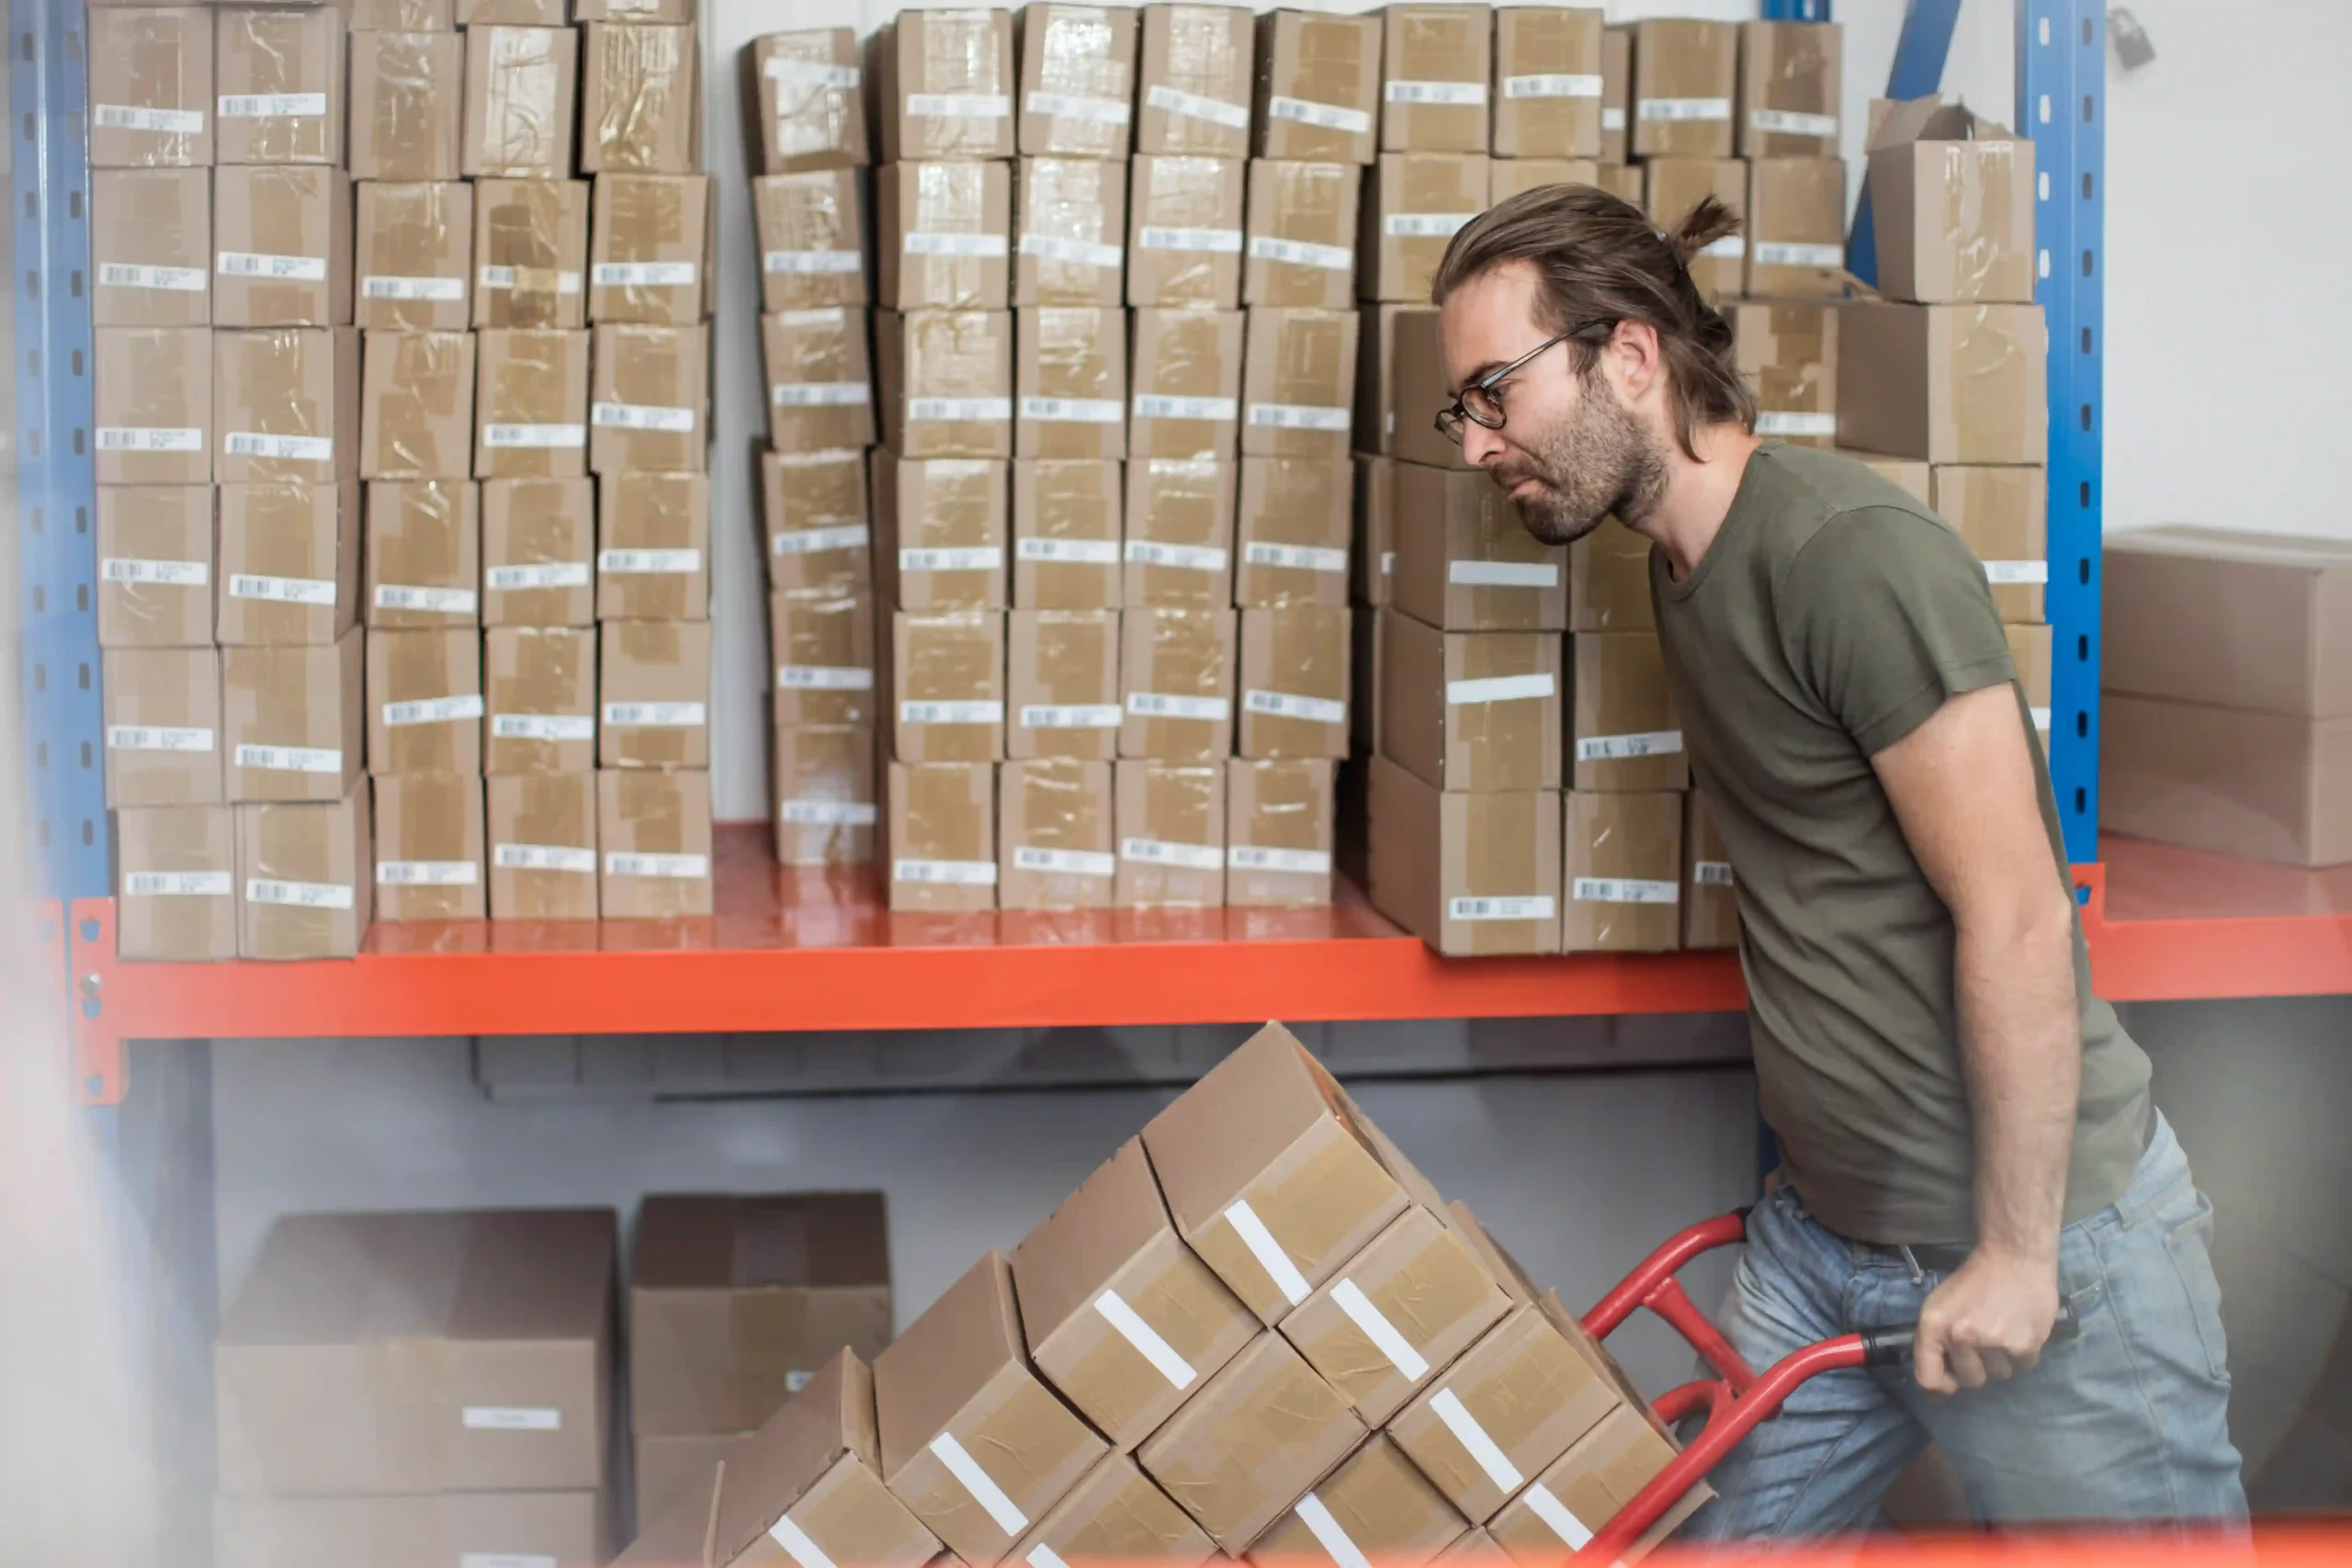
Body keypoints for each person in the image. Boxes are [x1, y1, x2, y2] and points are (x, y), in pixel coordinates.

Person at [1427, 184, 2246, 1535]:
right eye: (1463, 409)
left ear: (1630, 357)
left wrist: (2018, 1256)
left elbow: (2022, 916)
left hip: (2044, 1260)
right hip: (1821, 1246)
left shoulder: (1849, 557)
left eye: (1494, 392)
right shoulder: (1678, 570)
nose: (1477, 444)